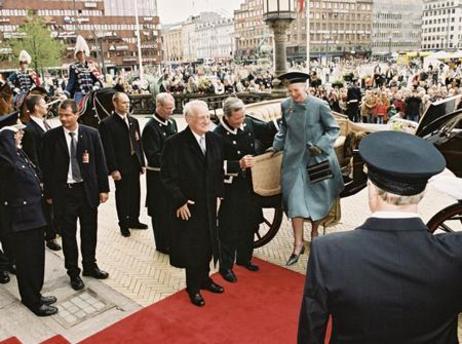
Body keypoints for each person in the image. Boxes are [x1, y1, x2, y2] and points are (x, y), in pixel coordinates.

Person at [297, 131, 461, 343]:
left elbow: (311, 331)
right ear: (422, 194)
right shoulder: (456, 253)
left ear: (371, 188)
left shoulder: (329, 251)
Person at [272, 72, 344, 266]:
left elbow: (333, 130)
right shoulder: (286, 105)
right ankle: (297, 243)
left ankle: (314, 233)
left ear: (305, 88)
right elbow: (283, 129)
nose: (293, 95)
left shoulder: (319, 105)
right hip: (294, 160)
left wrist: (320, 145)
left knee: (316, 199)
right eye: (290, 91)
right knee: (294, 200)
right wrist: (276, 145)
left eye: (296, 90)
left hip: (317, 158)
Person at [161, 100, 225, 307]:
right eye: (201, 118)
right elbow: (167, 177)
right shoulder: (174, 143)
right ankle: (193, 287)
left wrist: (219, 197)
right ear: (188, 119)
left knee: (208, 243)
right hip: (188, 204)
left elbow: (218, 172)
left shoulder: (215, 140)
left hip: (209, 202)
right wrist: (179, 201)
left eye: (208, 117)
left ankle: (205, 279)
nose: (207, 121)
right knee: (192, 246)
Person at [42, 100, 109, 291]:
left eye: (67, 115)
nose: (63, 119)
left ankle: (90, 265)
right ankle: (73, 271)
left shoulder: (91, 134)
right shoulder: (51, 138)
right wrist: (49, 194)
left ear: (77, 114)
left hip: (87, 191)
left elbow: (100, 163)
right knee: (69, 236)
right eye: (60, 115)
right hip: (64, 194)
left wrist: (103, 189)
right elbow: (46, 169)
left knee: (89, 231)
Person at [213, 97, 277, 283]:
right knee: (229, 228)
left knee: (250, 223)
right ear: (226, 116)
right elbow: (213, 165)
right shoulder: (217, 135)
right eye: (237, 118)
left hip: (251, 184)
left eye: (242, 116)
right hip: (231, 188)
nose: (241, 121)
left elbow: (266, 130)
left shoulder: (248, 122)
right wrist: (237, 164)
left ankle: (244, 258)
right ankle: (226, 267)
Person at [0, 113, 58, 316]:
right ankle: (31, 300)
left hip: (34, 214)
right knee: (27, 262)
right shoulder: (5, 158)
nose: (21, 134)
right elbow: (10, 166)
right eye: (17, 132)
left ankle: (36, 292)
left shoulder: (18, 153)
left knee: (36, 259)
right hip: (21, 219)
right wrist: (6, 135)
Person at [99, 92, 147, 237]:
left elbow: (139, 143)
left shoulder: (133, 121)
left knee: (135, 192)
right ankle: (123, 223)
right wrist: (113, 169)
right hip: (120, 165)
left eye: (128, 102)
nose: (127, 105)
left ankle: (134, 219)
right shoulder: (107, 124)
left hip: (134, 163)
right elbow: (107, 148)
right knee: (123, 195)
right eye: (123, 103)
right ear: (115, 103)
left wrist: (142, 162)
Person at [22, 95, 61, 251]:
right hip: (44, 174)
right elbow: (33, 157)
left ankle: (56, 229)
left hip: (54, 172)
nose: (47, 106)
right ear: (36, 107)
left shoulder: (45, 124)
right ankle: (50, 236)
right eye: (44, 104)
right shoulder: (30, 130)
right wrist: (41, 178)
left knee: (55, 204)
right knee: (47, 206)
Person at [142, 93, 177, 253]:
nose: (171, 111)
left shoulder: (172, 122)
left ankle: (171, 240)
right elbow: (153, 156)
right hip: (157, 176)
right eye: (168, 108)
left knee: (170, 208)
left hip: (171, 175)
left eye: (172, 107)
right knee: (160, 210)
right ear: (159, 106)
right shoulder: (150, 127)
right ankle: (162, 244)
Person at [64, 35, 102, 102]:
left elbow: (96, 79)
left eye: (83, 53)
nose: (81, 55)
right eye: (79, 53)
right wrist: (66, 92)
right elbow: (71, 81)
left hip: (91, 92)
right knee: (78, 109)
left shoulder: (90, 66)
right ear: (76, 55)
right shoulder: (73, 67)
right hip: (80, 93)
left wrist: (96, 85)